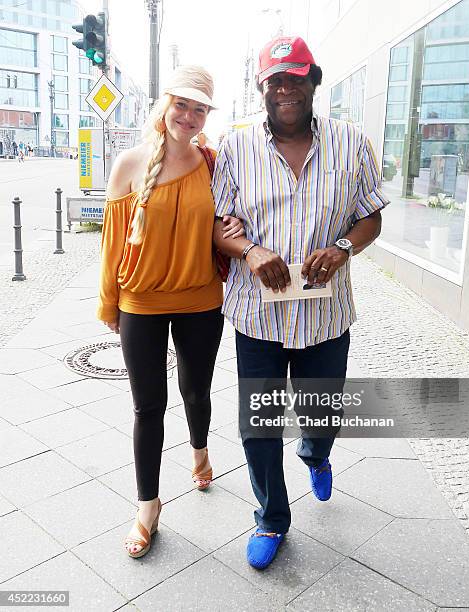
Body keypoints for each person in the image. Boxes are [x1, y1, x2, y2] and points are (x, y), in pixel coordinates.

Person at [212, 35, 390, 569]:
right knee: (259, 424)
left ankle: (316, 453)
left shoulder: (351, 141)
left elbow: (371, 215)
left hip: (325, 314)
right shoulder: (236, 146)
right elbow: (219, 227)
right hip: (258, 316)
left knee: (321, 413)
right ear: (262, 88)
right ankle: (270, 518)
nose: (285, 88)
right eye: (275, 80)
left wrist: (341, 249)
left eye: (296, 77)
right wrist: (248, 249)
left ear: (314, 80)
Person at [97, 65, 244, 559]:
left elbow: (230, 221)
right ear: (165, 105)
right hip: (140, 300)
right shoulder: (130, 163)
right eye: (181, 104)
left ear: (206, 117)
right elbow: (112, 243)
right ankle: (148, 506)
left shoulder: (214, 163)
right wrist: (109, 303)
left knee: (195, 390)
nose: (188, 114)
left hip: (202, 299)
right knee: (147, 407)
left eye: (199, 108)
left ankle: (199, 450)